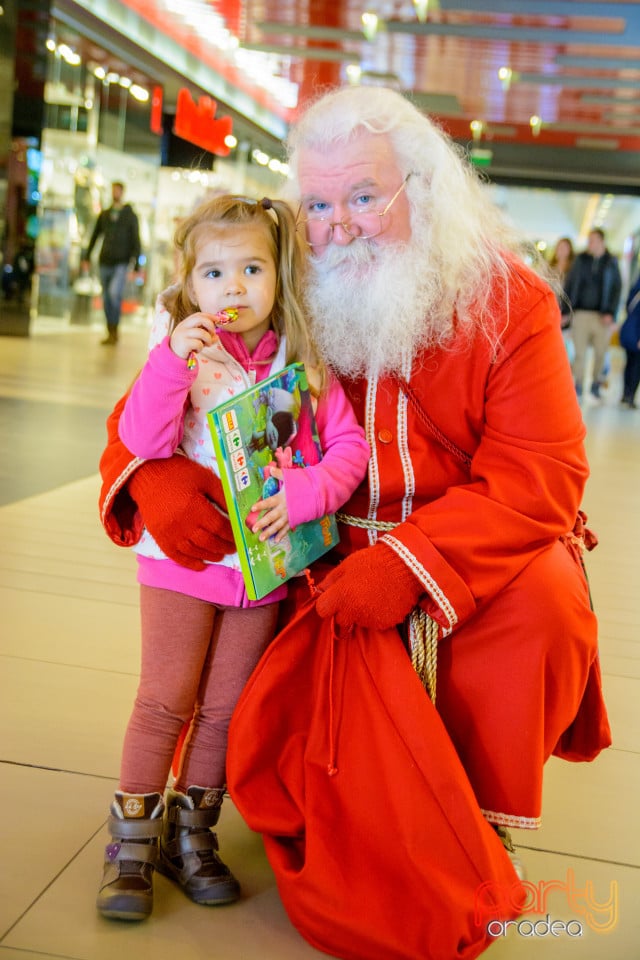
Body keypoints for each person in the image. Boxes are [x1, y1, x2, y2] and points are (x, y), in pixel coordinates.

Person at [98, 87, 611, 898]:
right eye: (319, 203)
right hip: (312, 555)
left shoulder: (512, 301)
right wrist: (156, 476)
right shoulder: (283, 296)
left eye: (365, 197)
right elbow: (143, 408)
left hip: (455, 557)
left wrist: (413, 560)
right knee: (252, 745)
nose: (339, 224)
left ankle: (476, 814)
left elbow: (538, 471)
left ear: (423, 188)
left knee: (545, 595)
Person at [95, 194, 369, 921]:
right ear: (189, 284)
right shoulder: (183, 355)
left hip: (264, 567)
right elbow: (144, 441)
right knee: (163, 701)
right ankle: (129, 843)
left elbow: (350, 448)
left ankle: (193, 835)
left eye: (252, 268)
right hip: (181, 564)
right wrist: (168, 364)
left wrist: (307, 493)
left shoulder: (301, 365)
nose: (234, 288)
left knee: (222, 712)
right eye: (214, 273)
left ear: (280, 278)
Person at [562, 227, 621, 400]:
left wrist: (611, 313)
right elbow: (571, 284)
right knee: (579, 353)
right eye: (589, 240)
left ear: (602, 241)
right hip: (580, 313)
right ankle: (578, 385)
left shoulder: (611, 262)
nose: (590, 243)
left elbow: (616, 290)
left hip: (602, 316)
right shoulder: (581, 260)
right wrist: (567, 311)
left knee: (600, 352)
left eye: (593, 240)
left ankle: (595, 384)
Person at [81, 181, 142, 345]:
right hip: (104, 260)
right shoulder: (105, 214)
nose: (116, 193)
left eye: (118, 190)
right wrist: (86, 256)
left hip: (121, 263)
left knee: (115, 294)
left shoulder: (130, 216)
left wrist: (136, 264)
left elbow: (136, 240)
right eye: (114, 190)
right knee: (106, 297)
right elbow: (95, 236)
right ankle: (110, 331)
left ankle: (115, 329)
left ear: (122, 192)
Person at [619, 272, 640, 408]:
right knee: (635, 364)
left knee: (631, 363)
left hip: (631, 328)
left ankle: (627, 394)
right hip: (635, 330)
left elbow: (628, 304)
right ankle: (629, 395)